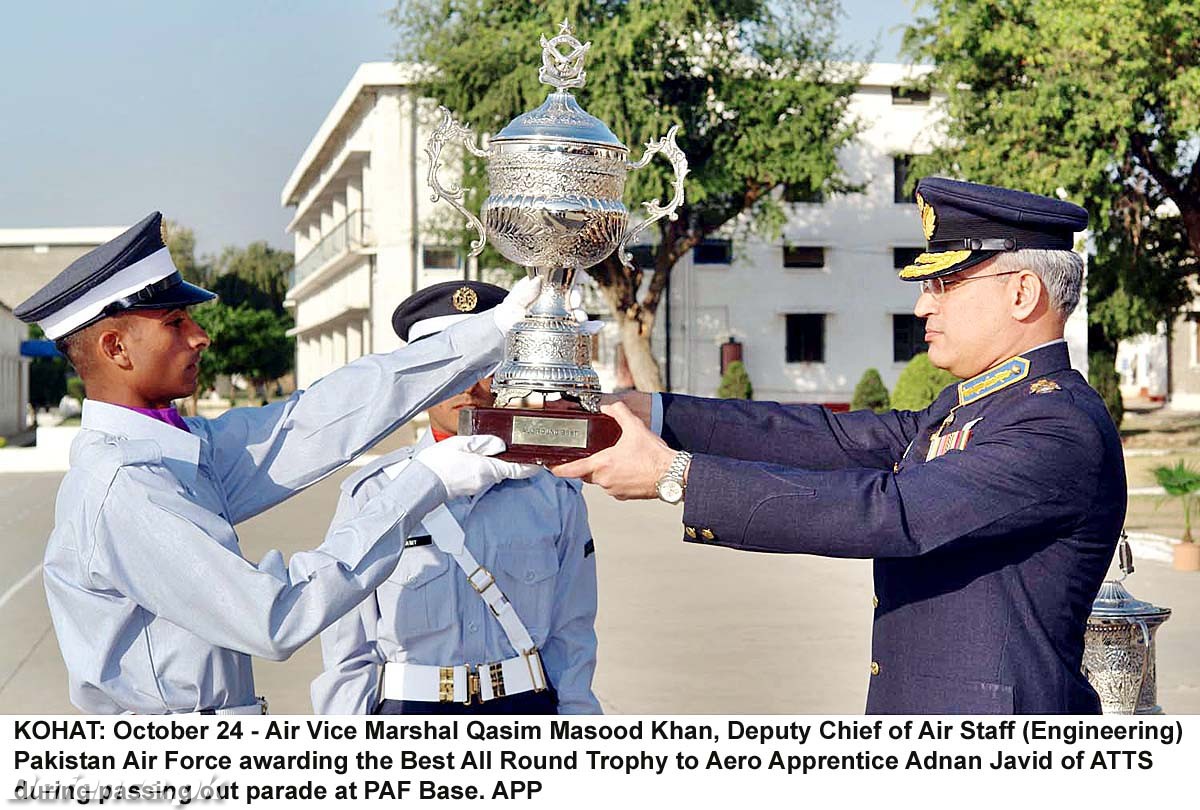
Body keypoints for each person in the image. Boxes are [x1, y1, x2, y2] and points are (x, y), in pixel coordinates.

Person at [554, 178, 1126, 714]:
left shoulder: (1055, 425)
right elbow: (829, 440)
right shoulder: (977, 403)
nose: (924, 306)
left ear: (1022, 293)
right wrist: (656, 412)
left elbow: (890, 513)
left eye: (945, 284)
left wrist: (673, 475)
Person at [13, 212, 541, 714]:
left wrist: (488, 333)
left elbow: (315, 420)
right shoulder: (127, 487)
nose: (200, 335)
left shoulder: (173, 449)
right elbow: (274, 617)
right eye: (175, 322)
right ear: (116, 348)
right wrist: (422, 484)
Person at [312, 281, 601, 715]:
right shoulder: (374, 492)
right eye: (448, 364)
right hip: (410, 715)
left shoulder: (553, 491)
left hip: (524, 710)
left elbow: (572, 634)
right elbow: (347, 654)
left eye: (483, 361)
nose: (467, 383)